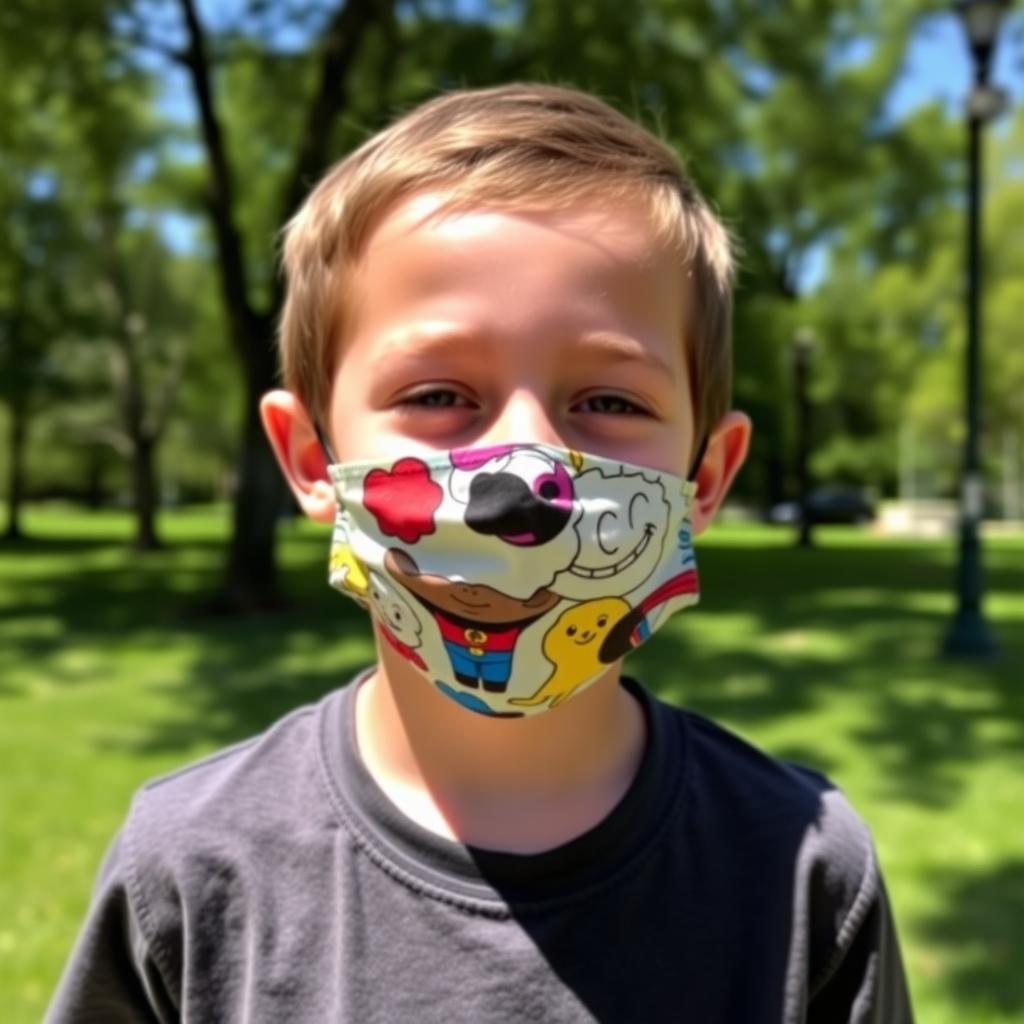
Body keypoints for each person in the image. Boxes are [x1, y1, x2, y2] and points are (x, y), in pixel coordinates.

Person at [46, 82, 914, 1023]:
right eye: (437, 393)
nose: (526, 469)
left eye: (610, 402)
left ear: (707, 476)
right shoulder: (187, 867)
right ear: (310, 458)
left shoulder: (807, 875)